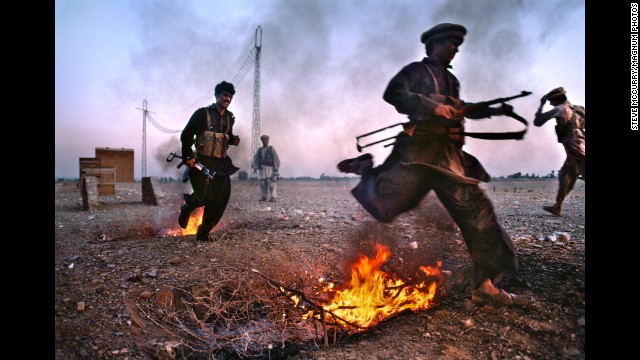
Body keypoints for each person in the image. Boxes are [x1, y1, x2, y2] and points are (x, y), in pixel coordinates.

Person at [337, 23, 534, 306]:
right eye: (452, 45)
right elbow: (394, 93)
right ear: (438, 44)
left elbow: (460, 109)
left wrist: (493, 109)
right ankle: (367, 167)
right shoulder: (416, 70)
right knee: (383, 207)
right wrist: (433, 107)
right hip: (419, 155)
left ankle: (485, 286)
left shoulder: (452, 81)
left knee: (479, 216)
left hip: (448, 157)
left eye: (457, 46)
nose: (456, 50)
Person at [178, 81, 241, 241]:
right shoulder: (201, 114)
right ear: (217, 95)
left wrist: (232, 139)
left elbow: (224, 136)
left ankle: (203, 233)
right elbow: (186, 135)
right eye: (225, 95)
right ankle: (187, 207)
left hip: (221, 164)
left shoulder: (229, 118)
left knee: (221, 198)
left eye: (230, 96)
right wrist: (188, 157)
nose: (228, 98)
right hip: (201, 162)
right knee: (205, 196)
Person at [533, 87, 585, 216]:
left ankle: (558, 206)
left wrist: (541, 105)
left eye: (551, 100)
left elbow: (538, 121)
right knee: (566, 174)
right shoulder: (578, 108)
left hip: (574, 146)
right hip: (579, 142)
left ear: (557, 99)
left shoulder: (560, 109)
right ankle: (558, 206)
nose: (550, 103)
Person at [252, 134, 281, 202]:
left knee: (271, 183)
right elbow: (256, 159)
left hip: (270, 168)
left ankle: (273, 197)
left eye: (266, 139)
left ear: (268, 140)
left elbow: (276, 158)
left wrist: (276, 167)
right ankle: (264, 197)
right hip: (262, 169)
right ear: (261, 141)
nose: (264, 141)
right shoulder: (259, 150)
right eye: (263, 140)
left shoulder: (271, 149)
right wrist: (255, 168)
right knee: (262, 183)